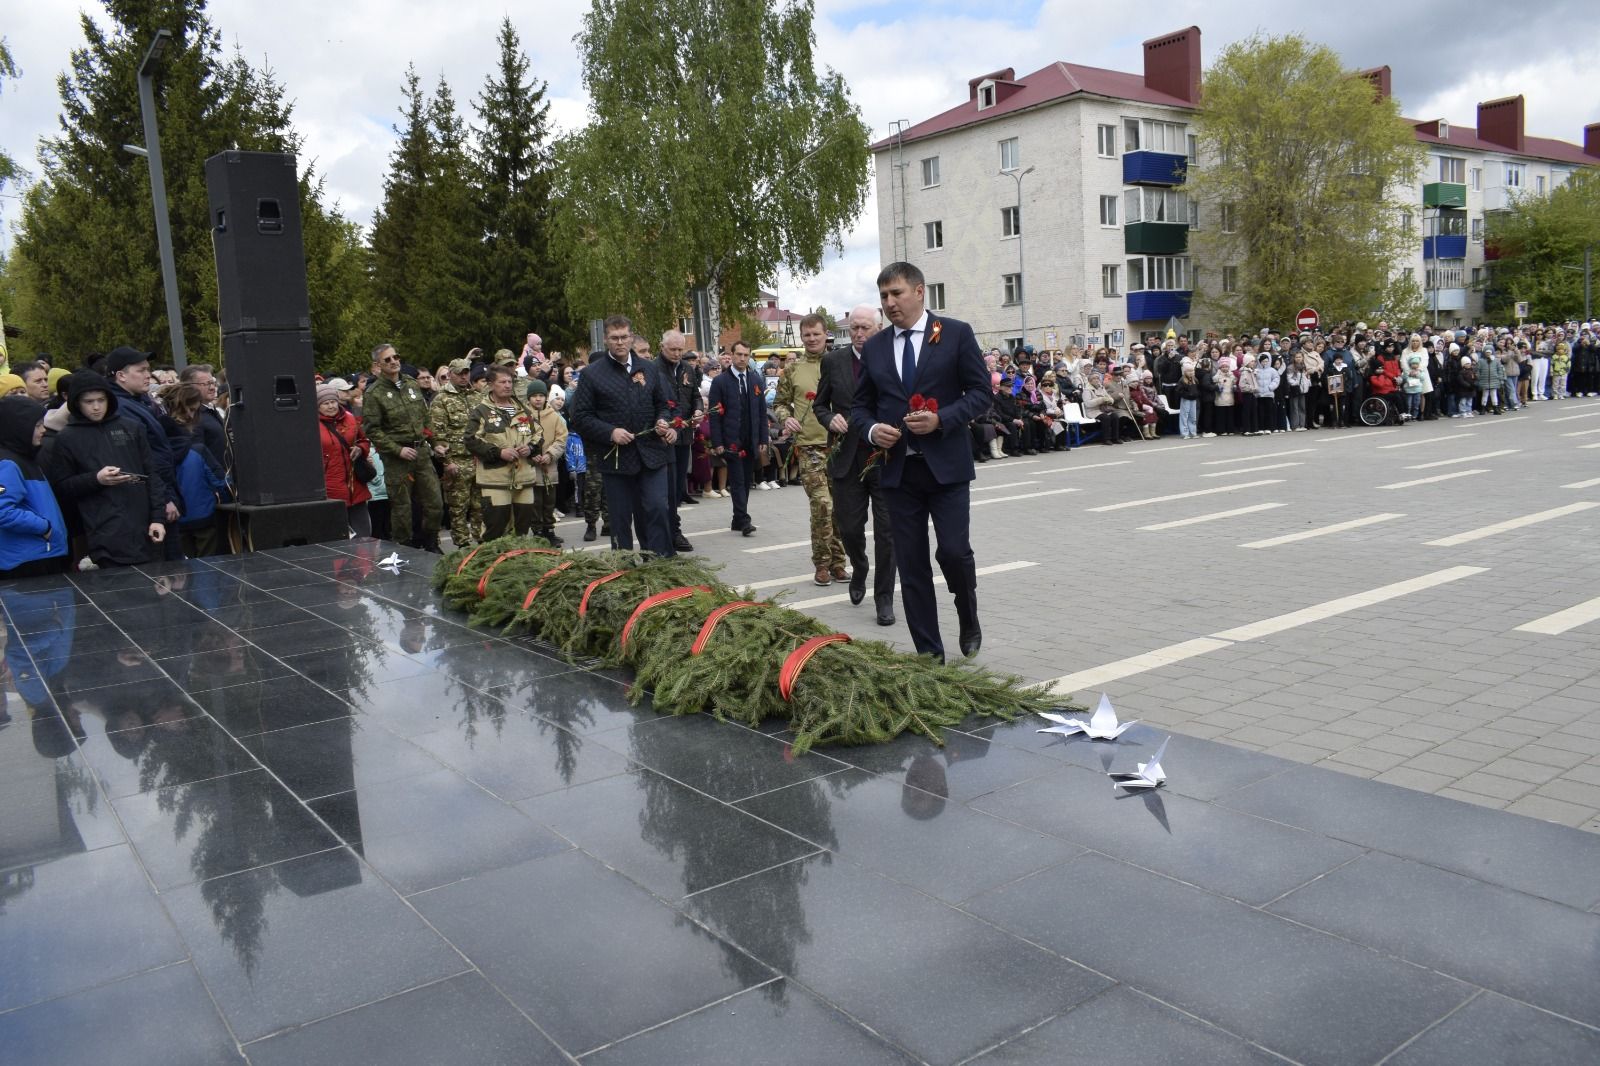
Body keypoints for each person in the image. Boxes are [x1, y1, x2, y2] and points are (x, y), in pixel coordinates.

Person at [849, 261, 988, 662]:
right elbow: (861, 407)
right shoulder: (874, 346)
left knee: (954, 552)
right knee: (911, 566)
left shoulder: (955, 334)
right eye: (884, 297)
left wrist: (942, 419)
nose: (890, 303)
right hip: (898, 472)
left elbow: (981, 394)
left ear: (920, 291)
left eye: (897, 294)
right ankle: (930, 652)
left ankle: (968, 614)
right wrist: (874, 431)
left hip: (946, 468)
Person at [566, 315, 676, 555]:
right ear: (605, 339)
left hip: (652, 454)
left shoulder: (648, 368)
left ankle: (659, 562)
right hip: (616, 458)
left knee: (657, 507)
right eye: (614, 338)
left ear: (631, 337)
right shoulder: (592, 374)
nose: (620, 342)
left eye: (624, 337)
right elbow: (580, 417)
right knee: (620, 518)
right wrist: (610, 432)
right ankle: (624, 567)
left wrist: (663, 421)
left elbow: (663, 404)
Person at [814, 304, 895, 625]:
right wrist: (829, 417)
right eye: (854, 329)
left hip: (885, 458)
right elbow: (819, 404)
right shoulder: (833, 361)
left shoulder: (892, 357)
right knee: (848, 527)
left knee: (888, 531)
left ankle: (884, 597)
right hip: (848, 457)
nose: (859, 334)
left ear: (879, 329)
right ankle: (859, 566)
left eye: (866, 328)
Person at [41, 371, 166, 567]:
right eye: (88, 402)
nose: (96, 407)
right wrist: (96, 479)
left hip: (144, 524)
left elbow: (152, 475)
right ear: (76, 403)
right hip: (102, 530)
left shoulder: (131, 427)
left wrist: (158, 518)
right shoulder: (67, 438)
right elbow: (62, 486)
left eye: (101, 400)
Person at [776, 314, 848, 585]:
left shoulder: (842, 363)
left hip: (840, 446)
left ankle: (839, 563)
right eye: (807, 335)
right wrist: (786, 418)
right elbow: (780, 403)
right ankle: (822, 564)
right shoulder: (793, 369)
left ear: (825, 334)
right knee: (821, 505)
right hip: (809, 448)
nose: (812, 339)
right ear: (802, 337)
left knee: (839, 508)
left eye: (816, 334)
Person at [362, 343, 444, 550]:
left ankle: (430, 542)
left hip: (422, 453)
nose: (393, 362)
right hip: (397, 457)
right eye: (387, 359)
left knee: (435, 504)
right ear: (377, 365)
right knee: (402, 509)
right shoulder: (374, 393)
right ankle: (403, 547)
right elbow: (372, 430)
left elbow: (425, 418)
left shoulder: (411, 383)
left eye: (395, 357)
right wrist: (397, 449)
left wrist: (436, 443)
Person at [102, 347, 180, 544]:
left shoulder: (138, 401)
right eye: (141, 370)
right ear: (121, 376)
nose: (148, 375)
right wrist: (164, 498)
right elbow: (144, 459)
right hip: (149, 502)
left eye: (148, 369)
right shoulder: (120, 408)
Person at [465, 366, 550, 542]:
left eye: (510, 381)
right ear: (490, 385)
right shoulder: (482, 411)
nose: (507, 385)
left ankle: (518, 564)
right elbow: (471, 440)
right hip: (495, 480)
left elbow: (538, 434)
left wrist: (531, 448)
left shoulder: (523, 411)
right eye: (502, 382)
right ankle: (491, 565)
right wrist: (498, 452)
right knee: (495, 530)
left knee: (522, 530)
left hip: (524, 479)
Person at [0, 396, 69, 578]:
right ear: (19, 428)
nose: (43, 430)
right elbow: (3, 511)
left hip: (39, 553)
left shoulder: (24, 457)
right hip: (28, 558)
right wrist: (44, 527)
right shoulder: (7, 463)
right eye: (37, 425)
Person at [160, 383, 229, 557]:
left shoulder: (158, 449)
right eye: (188, 410)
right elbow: (220, 481)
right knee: (209, 568)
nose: (191, 416)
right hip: (203, 515)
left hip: (175, 518)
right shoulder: (197, 450)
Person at [707, 339, 767, 538]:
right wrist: (718, 443)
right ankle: (744, 520)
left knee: (746, 479)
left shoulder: (755, 379)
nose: (742, 358)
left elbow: (761, 412)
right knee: (738, 480)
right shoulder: (720, 382)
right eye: (739, 354)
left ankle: (737, 519)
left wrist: (763, 440)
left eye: (746, 355)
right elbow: (714, 415)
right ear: (731, 355)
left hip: (750, 438)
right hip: (731, 439)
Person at [657, 329, 700, 553]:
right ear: (662, 347)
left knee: (678, 487)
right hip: (663, 439)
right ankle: (670, 531)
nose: (676, 353)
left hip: (684, 437)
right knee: (667, 489)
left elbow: (695, 397)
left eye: (680, 349)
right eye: (672, 349)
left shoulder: (687, 369)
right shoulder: (654, 369)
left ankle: (674, 529)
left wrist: (698, 411)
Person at [430, 357, 480, 548]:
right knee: (459, 507)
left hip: (477, 459)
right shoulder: (441, 399)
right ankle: (462, 544)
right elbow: (438, 435)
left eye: (466, 372)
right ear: (450, 374)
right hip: (457, 461)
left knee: (480, 505)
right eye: (459, 373)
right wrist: (447, 462)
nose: (463, 376)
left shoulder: (476, 396)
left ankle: (480, 539)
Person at [316, 382, 374, 537]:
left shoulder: (350, 418)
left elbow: (364, 440)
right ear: (318, 406)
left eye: (333, 401)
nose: (331, 406)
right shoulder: (311, 425)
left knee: (364, 535)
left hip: (355, 484)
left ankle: (365, 561)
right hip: (331, 487)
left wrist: (360, 449)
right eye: (325, 403)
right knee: (338, 537)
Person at [522, 378, 568, 544]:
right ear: (529, 398)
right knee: (535, 502)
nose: (538, 399)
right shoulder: (523, 417)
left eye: (541, 395)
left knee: (549, 501)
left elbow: (561, 438)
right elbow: (520, 438)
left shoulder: (554, 417)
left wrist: (550, 454)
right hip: (531, 467)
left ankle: (549, 530)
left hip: (550, 466)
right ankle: (538, 531)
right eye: (534, 396)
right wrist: (531, 453)